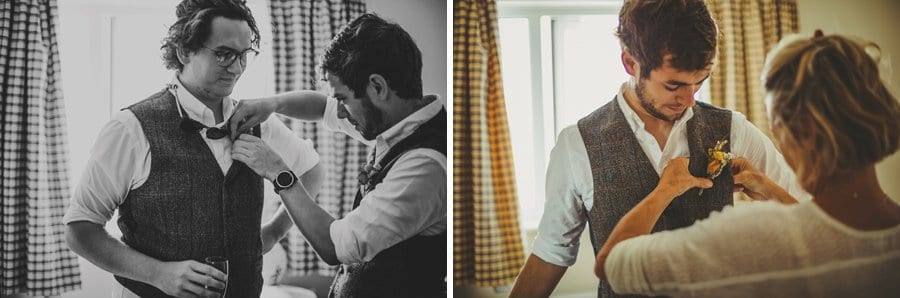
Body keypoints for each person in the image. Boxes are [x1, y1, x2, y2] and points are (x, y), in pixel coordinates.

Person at [508, 0, 811, 297]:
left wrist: (766, 188)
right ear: (630, 63)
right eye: (674, 85)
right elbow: (551, 253)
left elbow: (814, 219)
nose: (690, 100)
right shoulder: (576, 145)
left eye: (700, 82)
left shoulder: (734, 129)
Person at [595, 31, 900, 297]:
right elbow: (831, 233)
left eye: (776, 127)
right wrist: (771, 190)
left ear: (798, 133)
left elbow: (611, 264)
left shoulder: (751, 237)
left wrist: (665, 190)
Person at [63, 0, 323, 297]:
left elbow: (312, 170)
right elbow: (79, 229)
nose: (237, 67)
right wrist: (157, 273)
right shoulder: (130, 128)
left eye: (244, 55)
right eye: (224, 54)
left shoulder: (259, 122)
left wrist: (274, 232)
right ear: (184, 50)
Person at [228, 13, 446, 297]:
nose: (339, 110)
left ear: (377, 87)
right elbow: (322, 107)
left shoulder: (425, 165)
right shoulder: (396, 120)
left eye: (343, 98)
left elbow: (333, 247)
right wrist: (272, 104)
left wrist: (278, 172)